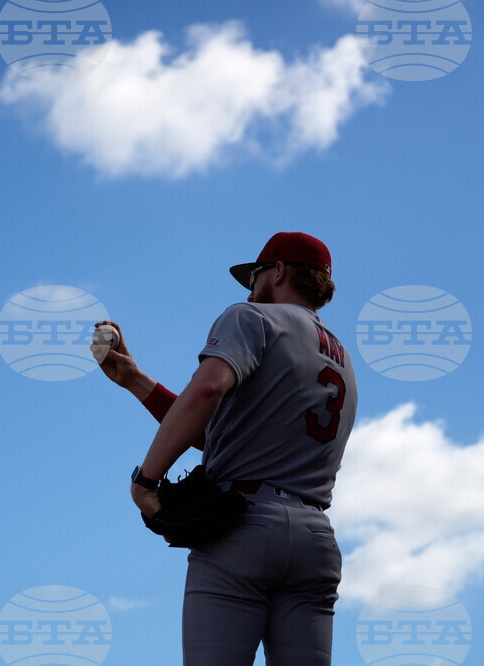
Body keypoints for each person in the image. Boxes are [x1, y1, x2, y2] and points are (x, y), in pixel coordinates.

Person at [93, 232, 358, 665]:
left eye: (254, 275)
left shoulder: (251, 318)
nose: (250, 288)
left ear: (277, 270)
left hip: (244, 525)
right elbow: (216, 432)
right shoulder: (343, 359)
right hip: (316, 541)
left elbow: (207, 391)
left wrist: (146, 482)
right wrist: (136, 381)